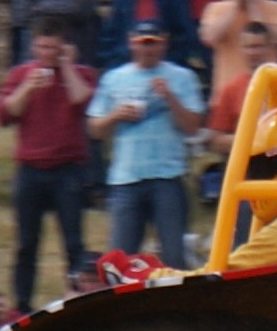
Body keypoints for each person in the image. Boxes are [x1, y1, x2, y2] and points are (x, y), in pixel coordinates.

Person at [0, 17, 98, 311]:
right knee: (26, 243)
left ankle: (77, 301)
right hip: (29, 169)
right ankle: (22, 305)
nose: (47, 53)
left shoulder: (81, 73)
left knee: (73, 244)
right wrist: (28, 88)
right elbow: (4, 115)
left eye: (53, 47)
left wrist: (66, 67)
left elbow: (85, 100)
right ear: (33, 45)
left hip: (68, 167)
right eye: (42, 47)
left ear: (63, 47)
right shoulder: (20, 75)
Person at [87, 21, 205, 262]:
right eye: (143, 43)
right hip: (125, 179)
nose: (148, 49)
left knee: (174, 257)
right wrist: (115, 115)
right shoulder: (113, 78)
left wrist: (170, 97)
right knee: (120, 259)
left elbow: (192, 126)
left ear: (164, 43)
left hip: (167, 176)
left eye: (153, 43)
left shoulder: (182, 77)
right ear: (132, 42)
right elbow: (94, 130)